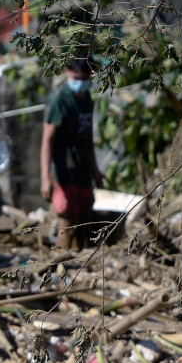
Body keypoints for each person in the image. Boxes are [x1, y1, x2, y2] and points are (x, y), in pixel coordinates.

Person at [41, 57, 104, 251]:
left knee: (84, 222)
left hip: (82, 170)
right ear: (67, 72)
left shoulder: (86, 98)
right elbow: (47, 140)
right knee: (67, 223)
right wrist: (45, 178)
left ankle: (77, 266)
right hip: (63, 171)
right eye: (77, 77)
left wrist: (95, 171)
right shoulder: (60, 99)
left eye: (86, 77)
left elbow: (87, 139)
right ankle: (61, 265)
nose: (82, 81)